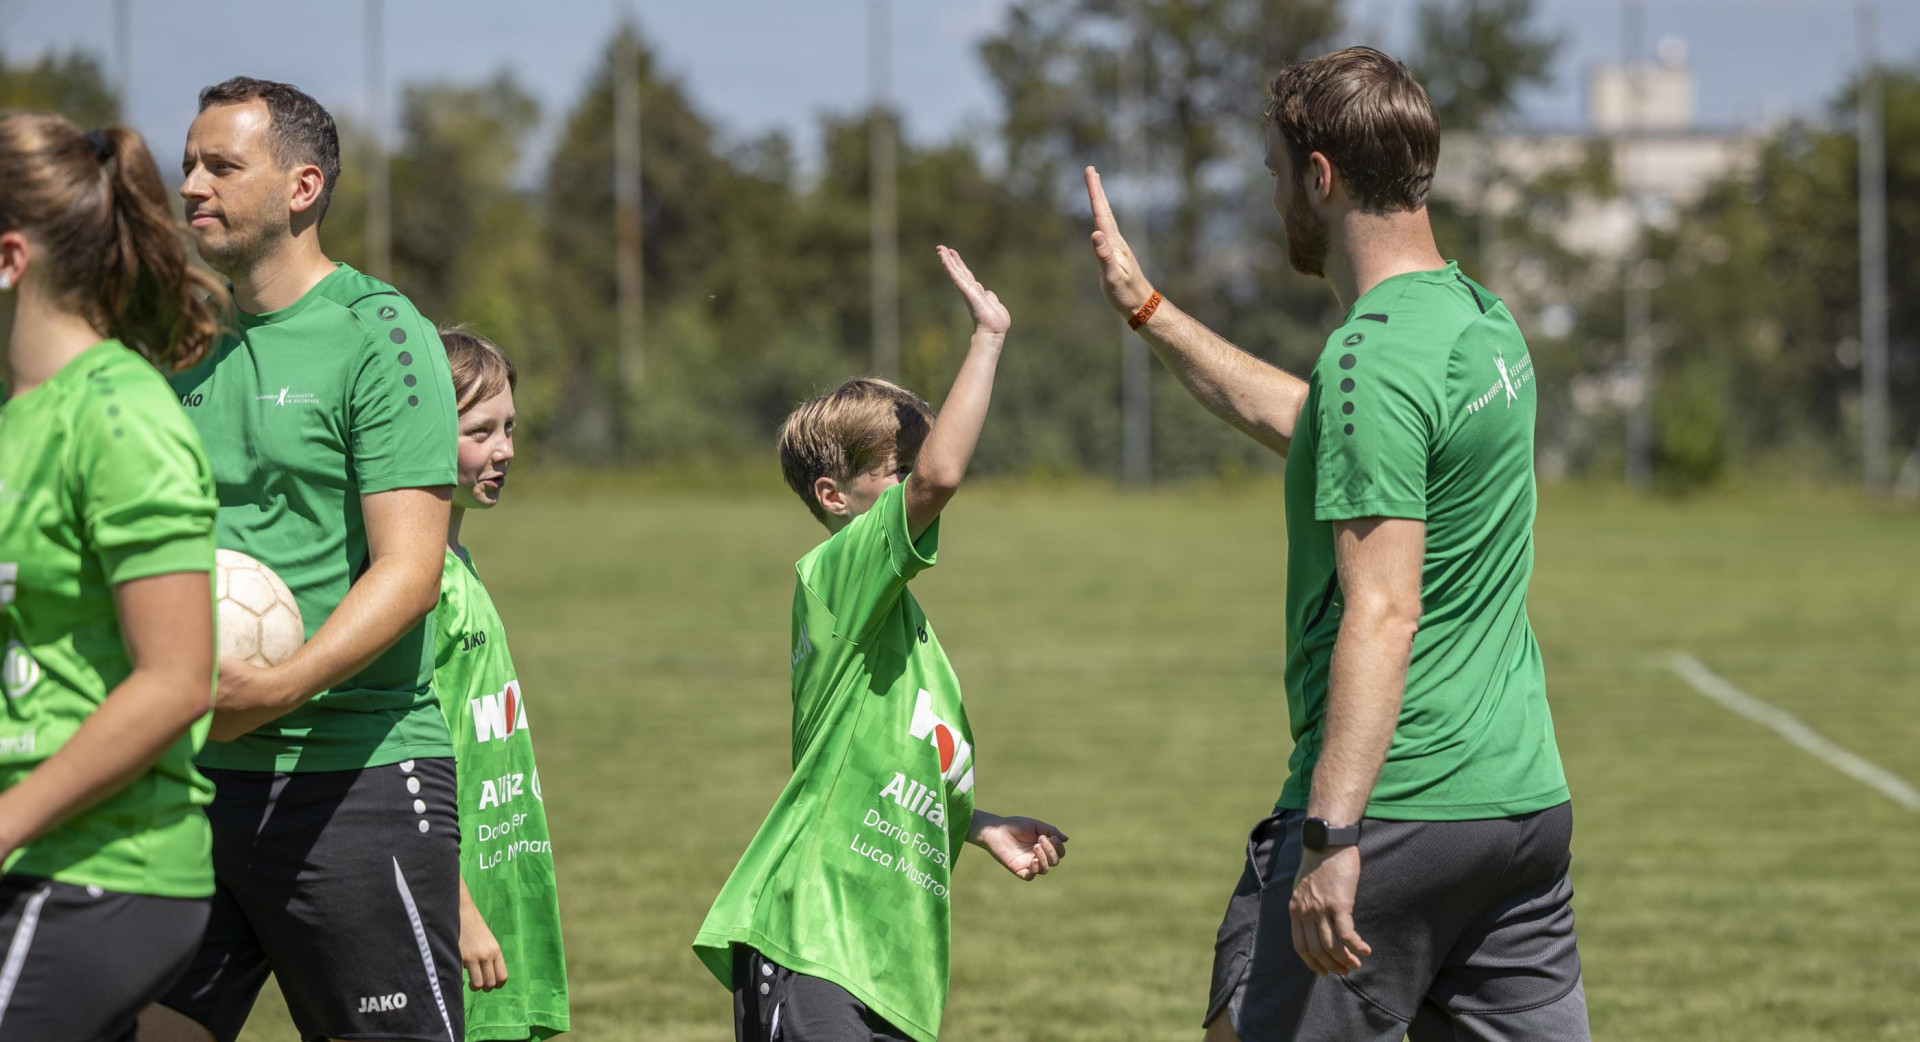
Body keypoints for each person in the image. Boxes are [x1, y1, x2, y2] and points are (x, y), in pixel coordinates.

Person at [1082, 47, 1588, 1041]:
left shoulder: (1371, 352)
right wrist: (1148, 310)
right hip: (1520, 808)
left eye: (1275, 176)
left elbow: (1385, 607)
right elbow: (1327, 428)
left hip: (1401, 805)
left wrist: (1334, 836)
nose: (1274, 199)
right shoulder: (1478, 319)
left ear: (1321, 177)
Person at [141, 77, 466, 1042]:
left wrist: (278, 689)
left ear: (302, 186)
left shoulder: (380, 334)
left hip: (352, 781)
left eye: (221, 166)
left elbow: (411, 573)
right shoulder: (176, 344)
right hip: (189, 779)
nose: (191, 183)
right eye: (188, 163)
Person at [693, 246, 1069, 1042]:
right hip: (814, 941)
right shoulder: (838, 575)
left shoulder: (898, 621)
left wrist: (978, 821)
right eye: (900, 468)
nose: (923, 480)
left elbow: (883, 760)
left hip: (888, 962)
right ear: (835, 496)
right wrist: (989, 337)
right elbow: (941, 481)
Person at [0, 112, 225, 1039]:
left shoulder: (123, 417)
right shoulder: (21, 418)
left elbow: (176, 680)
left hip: (104, 868)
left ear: (9, 256)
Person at [432, 328, 569, 1040]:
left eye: (509, 428)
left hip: (499, 885)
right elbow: (386, 760)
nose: (505, 450)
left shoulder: (457, 561)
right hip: (453, 907)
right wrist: (454, 908)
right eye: (479, 431)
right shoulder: (414, 581)